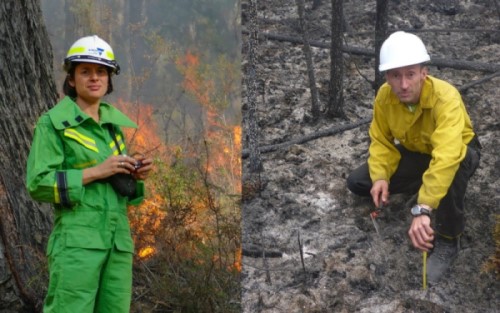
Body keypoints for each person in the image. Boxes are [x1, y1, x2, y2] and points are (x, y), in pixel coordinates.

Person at [26, 35, 153, 312]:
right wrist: (95, 172)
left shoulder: (112, 127)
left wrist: (134, 176)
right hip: (77, 245)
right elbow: (38, 184)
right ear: (71, 79)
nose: (94, 78)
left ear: (109, 79)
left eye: (101, 72)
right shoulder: (53, 124)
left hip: (117, 243)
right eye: (85, 71)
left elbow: (123, 195)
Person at [346, 31, 480, 284]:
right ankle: (431, 186)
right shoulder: (384, 97)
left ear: (423, 73)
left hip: (459, 151)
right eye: (395, 75)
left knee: (451, 168)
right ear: (386, 77)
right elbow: (381, 141)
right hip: (420, 152)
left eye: (410, 74)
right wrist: (381, 176)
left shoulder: (445, 97)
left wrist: (423, 207)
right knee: (359, 183)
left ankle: (449, 240)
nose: (403, 84)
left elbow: (447, 155)